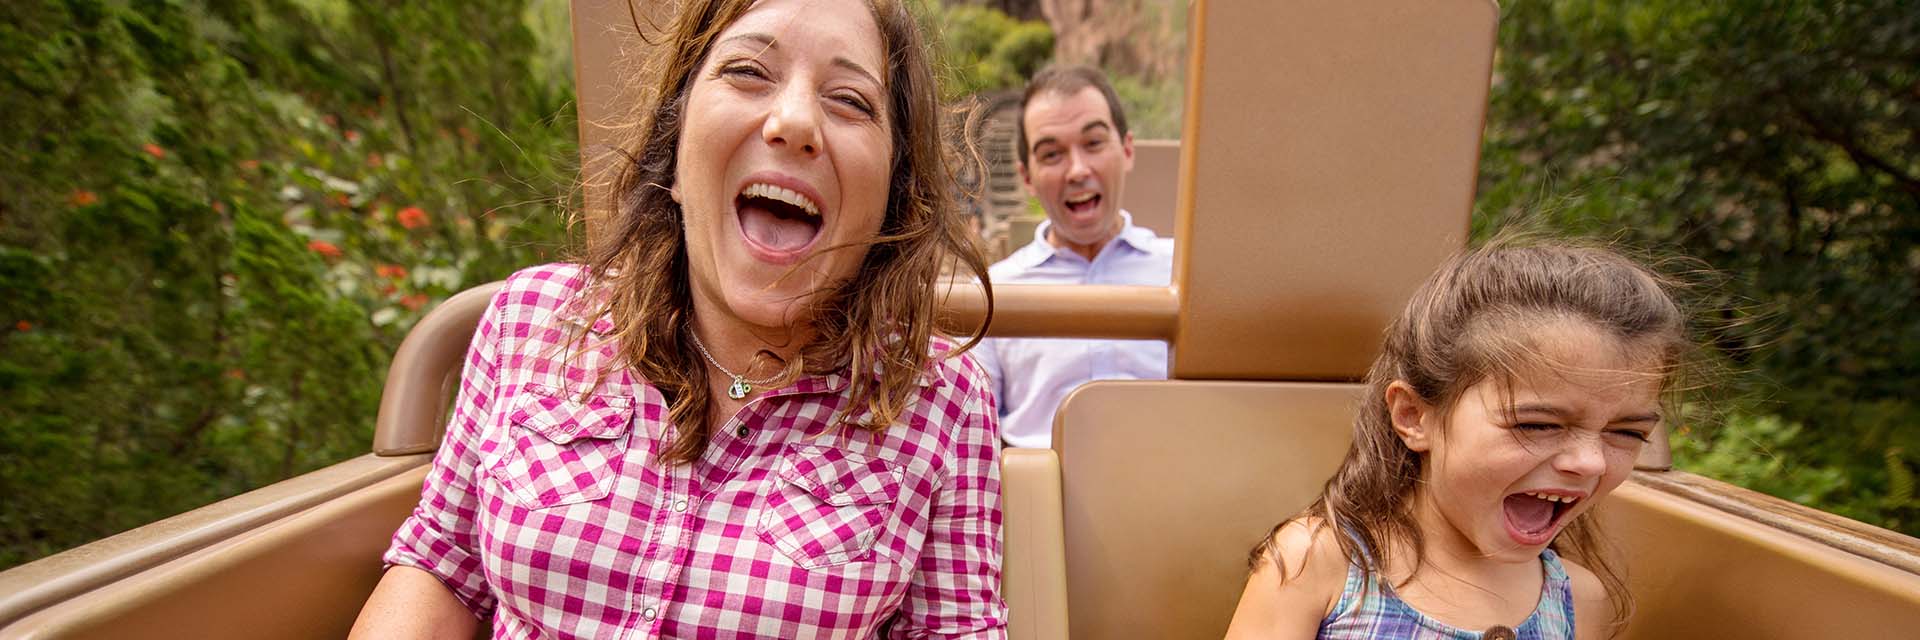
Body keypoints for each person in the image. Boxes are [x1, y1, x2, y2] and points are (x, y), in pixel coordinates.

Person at [349, 0, 1005, 637]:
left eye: (852, 101)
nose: (795, 120)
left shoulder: (941, 403)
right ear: (677, 140)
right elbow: (443, 570)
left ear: (893, 193)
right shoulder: (530, 319)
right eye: (748, 72)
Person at [1224, 240, 1701, 639]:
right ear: (1415, 416)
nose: (1591, 462)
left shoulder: (1579, 603)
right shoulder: (1323, 564)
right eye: (1537, 425)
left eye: (1626, 432)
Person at [973, 65, 1176, 448]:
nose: (1078, 170)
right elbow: (976, 436)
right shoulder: (991, 293)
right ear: (1027, 177)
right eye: (1052, 154)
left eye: (1094, 143)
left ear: (1127, 149)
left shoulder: (1185, 272)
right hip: (1041, 498)